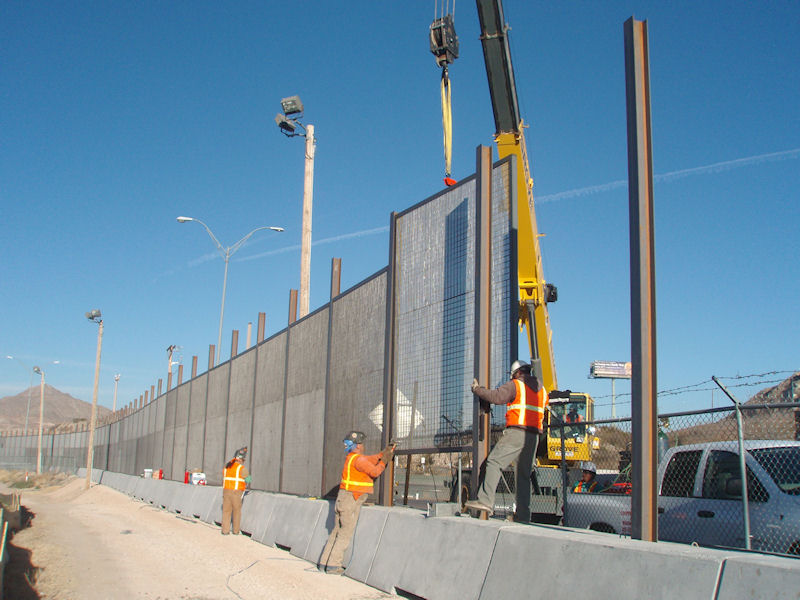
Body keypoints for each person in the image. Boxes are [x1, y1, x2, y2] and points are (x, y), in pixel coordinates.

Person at [465, 360, 570, 523]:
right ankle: (523, 516)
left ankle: (485, 501)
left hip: (517, 432)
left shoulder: (517, 385)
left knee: (494, 462)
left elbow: (497, 397)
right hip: (534, 437)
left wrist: (478, 390)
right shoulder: (541, 389)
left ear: (517, 373)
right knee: (523, 475)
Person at [319, 431, 394, 575]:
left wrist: (384, 452)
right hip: (350, 500)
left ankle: (324, 562)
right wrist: (384, 461)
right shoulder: (358, 460)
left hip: (343, 499)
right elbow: (375, 472)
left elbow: (370, 459)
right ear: (358, 446)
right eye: (362, 443)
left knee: (336, 531)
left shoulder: (353, 458)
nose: (363, 446)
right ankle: (334, 565)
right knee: (345, 533)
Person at [221, 446, 251, 535]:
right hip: (236, 492)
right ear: (240, 459)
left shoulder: (227, 466)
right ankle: (235, 531)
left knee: (226, 511)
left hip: (226, 491)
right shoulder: (241, 468)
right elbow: (248, 479)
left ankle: (225, 531)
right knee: (236, 511)